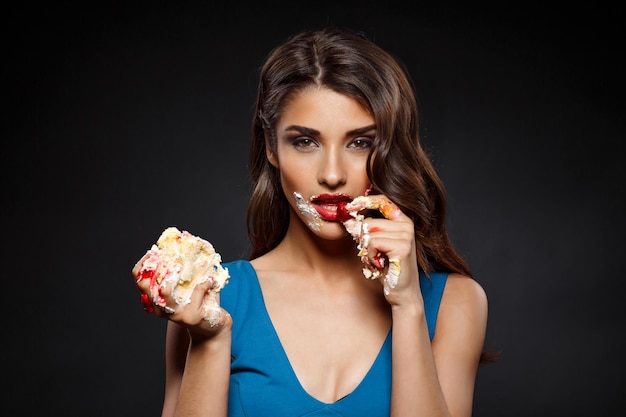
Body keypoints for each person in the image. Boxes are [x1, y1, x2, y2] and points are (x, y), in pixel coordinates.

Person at [133, 27, 490, 417]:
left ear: (389, 148)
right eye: (305, 141)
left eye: (360, 142)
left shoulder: (455, 303)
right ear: (271, 147)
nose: (332, 174)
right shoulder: (211, 300)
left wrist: (407, 306)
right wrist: (209, 340)